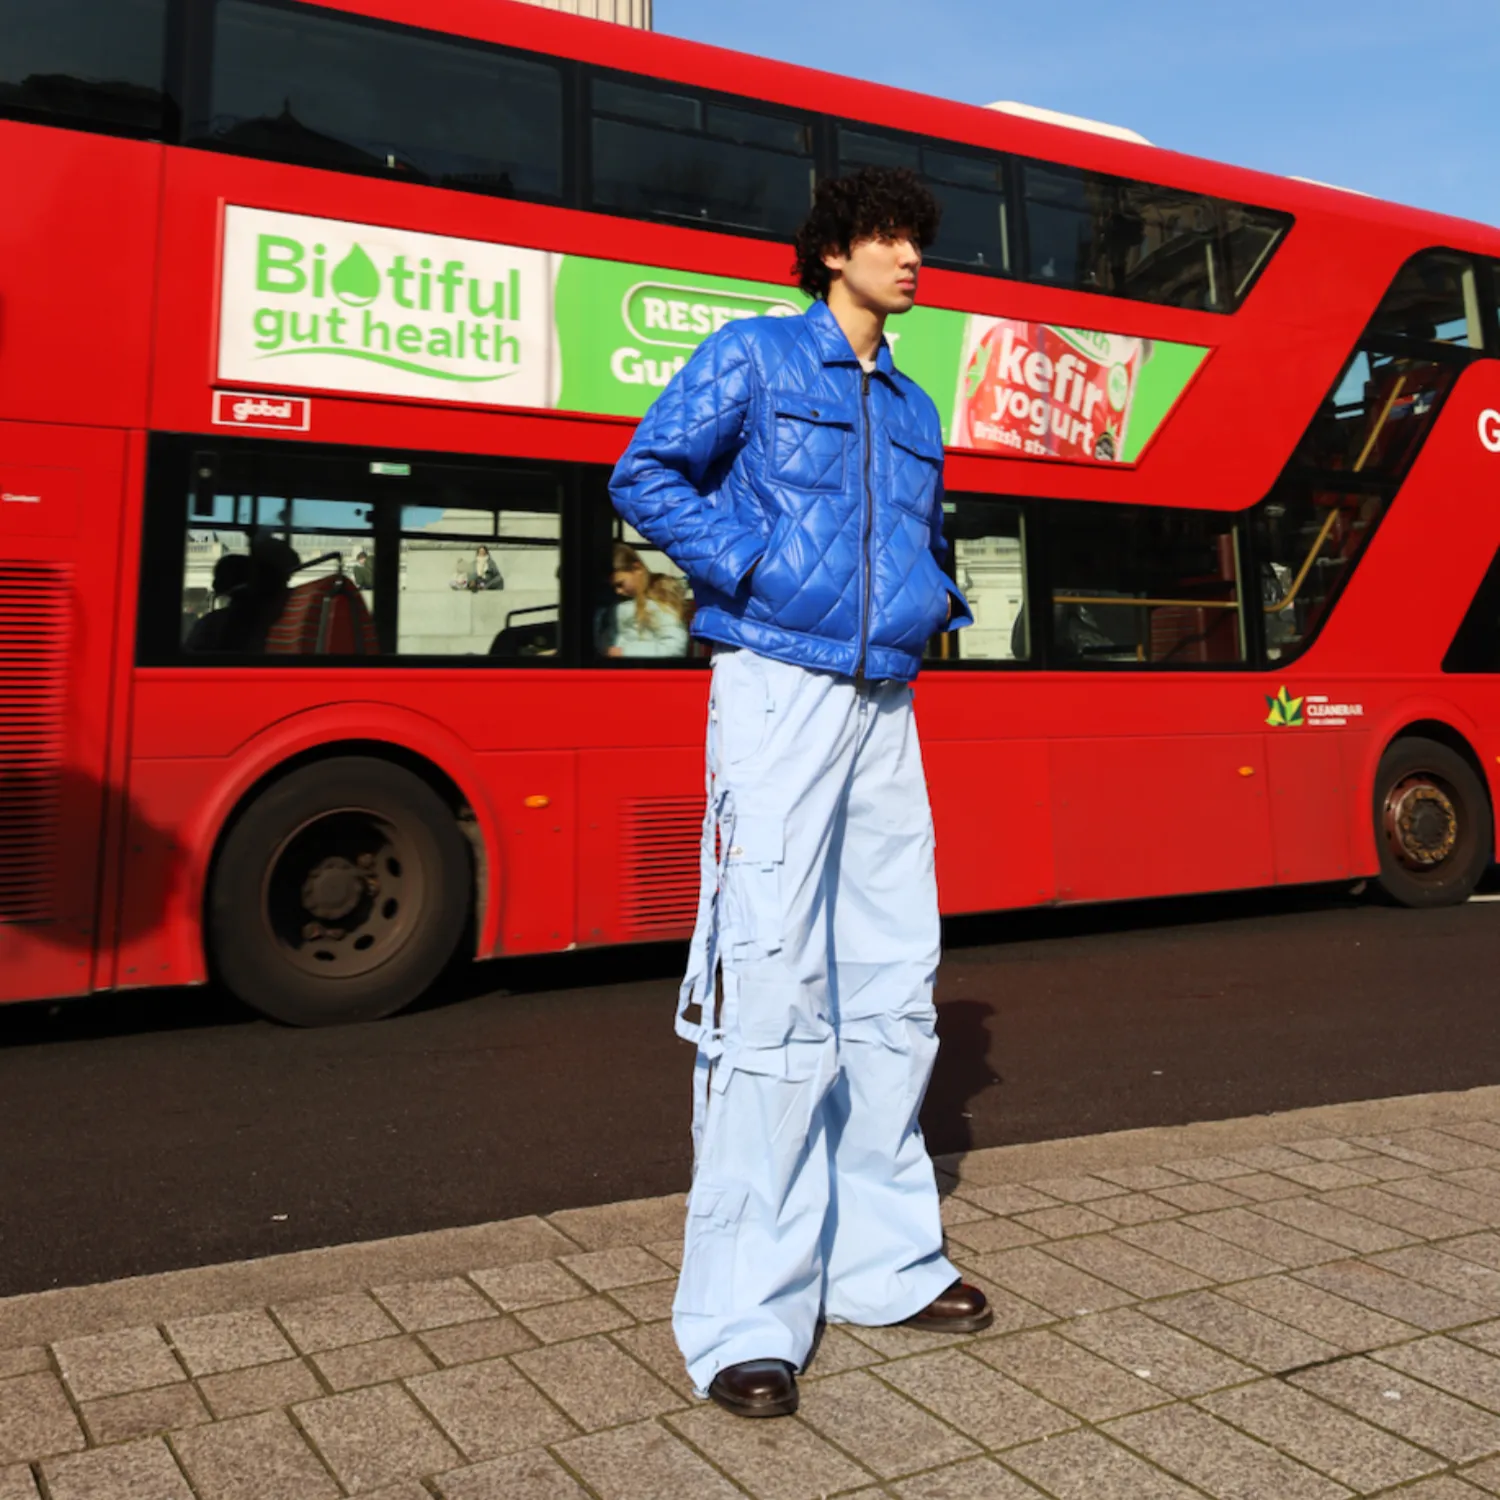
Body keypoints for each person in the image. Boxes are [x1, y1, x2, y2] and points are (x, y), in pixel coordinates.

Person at [609, 166, 985, 1421]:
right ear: (831, 251)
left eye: (917, 239)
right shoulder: (758, 357)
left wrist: (937, 602)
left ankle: (884, 1265)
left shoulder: (917, 402)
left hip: (887, 696)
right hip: (777, 682)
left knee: (891, 977)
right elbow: (647, 473)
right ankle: (742, 1322)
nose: (908, 256)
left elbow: (923, 537)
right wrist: (757, 570)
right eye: (885, 235)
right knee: (771, 980)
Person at [596, 542, 689, 658]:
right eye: (613, 587)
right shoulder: (615, 605)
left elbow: (674, 647)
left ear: (637, 568)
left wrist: (625, 652)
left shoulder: (658, 602)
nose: (618, 591)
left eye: (620, 584)